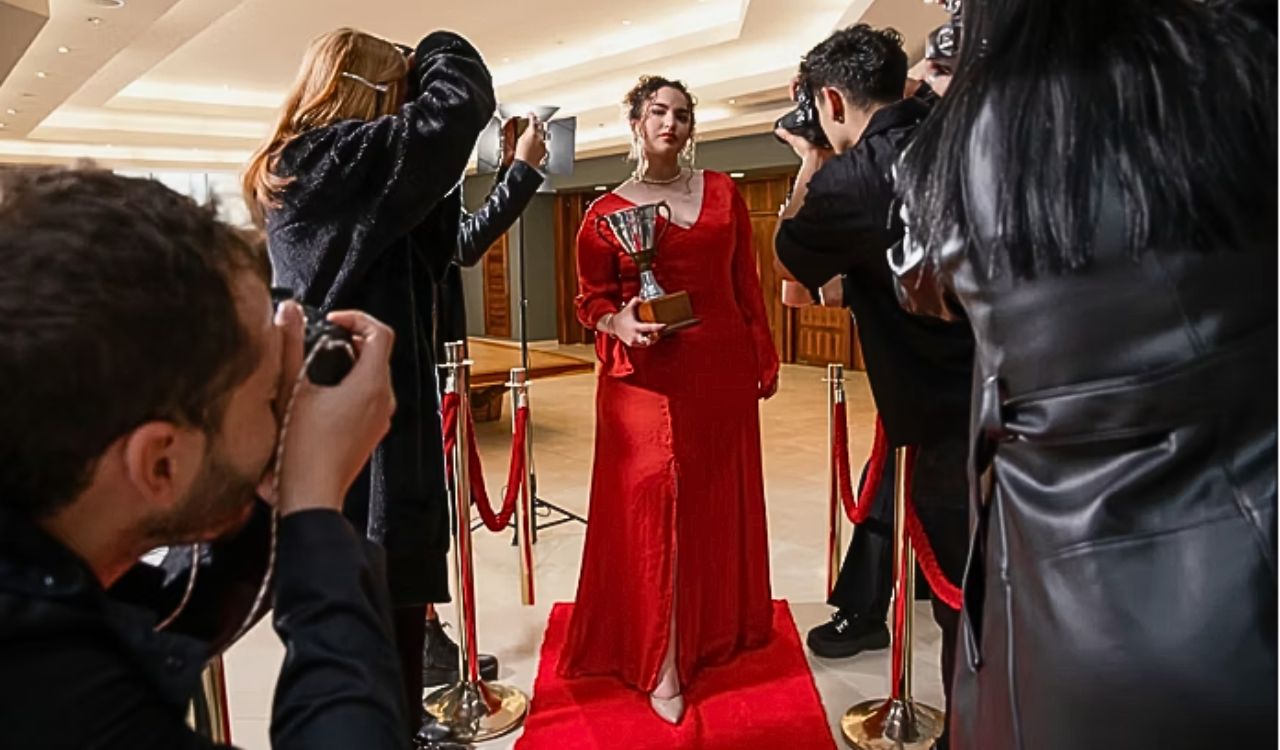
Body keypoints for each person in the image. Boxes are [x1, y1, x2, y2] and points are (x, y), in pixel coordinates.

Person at [892, 1, 1276, 747]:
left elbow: (919, 283)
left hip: (1064, 594)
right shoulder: (1243, 57)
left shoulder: (957, 142)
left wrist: (950, 98)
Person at [0, 167, 403, 749]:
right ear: (160, 463)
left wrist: (260, 480)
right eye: (270, 397)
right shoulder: (51, 702)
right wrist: (315, 506)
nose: (286, 404)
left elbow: (158, 615)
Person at [242, 28, 494, 744]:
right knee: (362, 623)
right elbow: (461, 102)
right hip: (350, 438)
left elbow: (442, 249)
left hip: (377, 426)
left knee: (392, 621)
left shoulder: (346, 177)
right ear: (375, 93)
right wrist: (437, 50)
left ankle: (401, 724)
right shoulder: (320, 161)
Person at [771, 25, 972, 749]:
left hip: (948, 421)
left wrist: (811, 163)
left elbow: (792, 268)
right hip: (1027, 393)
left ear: (829, 99)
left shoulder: (852, 180)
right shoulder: (959, 135)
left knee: (966, 606)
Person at [559, 75, 780, 725]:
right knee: (657, 504)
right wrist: (617, 322)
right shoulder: (603, 215)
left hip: (721, 370)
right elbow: (589, 301)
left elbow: (746, 281)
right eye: (658, 111)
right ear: (634, 121)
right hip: (646, 375)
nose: (672, 123)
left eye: (683, 114)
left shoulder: (722, 191)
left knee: (713, 499)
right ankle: (661, 660)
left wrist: (761, 355)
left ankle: (714, 633)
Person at [420, 111, 547, 688]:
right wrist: (520, 171)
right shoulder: (405, 175)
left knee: (430, 508)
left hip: (425, 367)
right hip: (416, 371)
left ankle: (420, 631)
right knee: (418, 510)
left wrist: (503, 171)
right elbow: (463, 245)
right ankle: (418, 638)